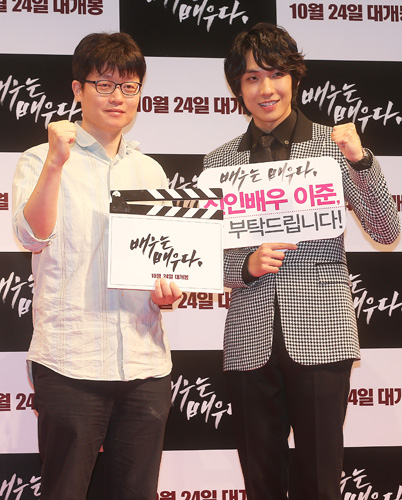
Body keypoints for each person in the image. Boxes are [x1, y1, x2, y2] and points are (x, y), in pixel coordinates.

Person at [203, 23, 400, 500]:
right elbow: (204, 256)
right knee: (261, 483)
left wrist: (360, 160)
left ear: (294, 77)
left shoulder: (333, 147)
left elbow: (386, 230)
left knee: (319, 481)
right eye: (252, 78)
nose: (266, 89)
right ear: (237, 88)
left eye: (275, 74)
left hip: (322, 334)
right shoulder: (219, 162)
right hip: (248, 338)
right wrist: (245, 266)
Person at [12, 32, 182, 500]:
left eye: (129, 87)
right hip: (71, 362)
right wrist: (55, 163)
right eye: (104, 84)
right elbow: (31, 236)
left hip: (144, 365)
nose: (117, 97)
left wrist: (168, 292)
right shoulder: (39, 159)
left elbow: (165, 263)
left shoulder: (150, 172)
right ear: (78, 89)